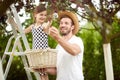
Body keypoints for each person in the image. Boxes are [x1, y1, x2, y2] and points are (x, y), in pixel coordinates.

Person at [46, 10, 84, 80]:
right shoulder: (58, 46)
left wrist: (57, 37)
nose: (63, 25)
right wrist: (44, 69)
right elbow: (57, 70)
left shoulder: (77, 40)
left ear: (72, 27)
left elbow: (74, 51)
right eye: (61, 23)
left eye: (66, 23)